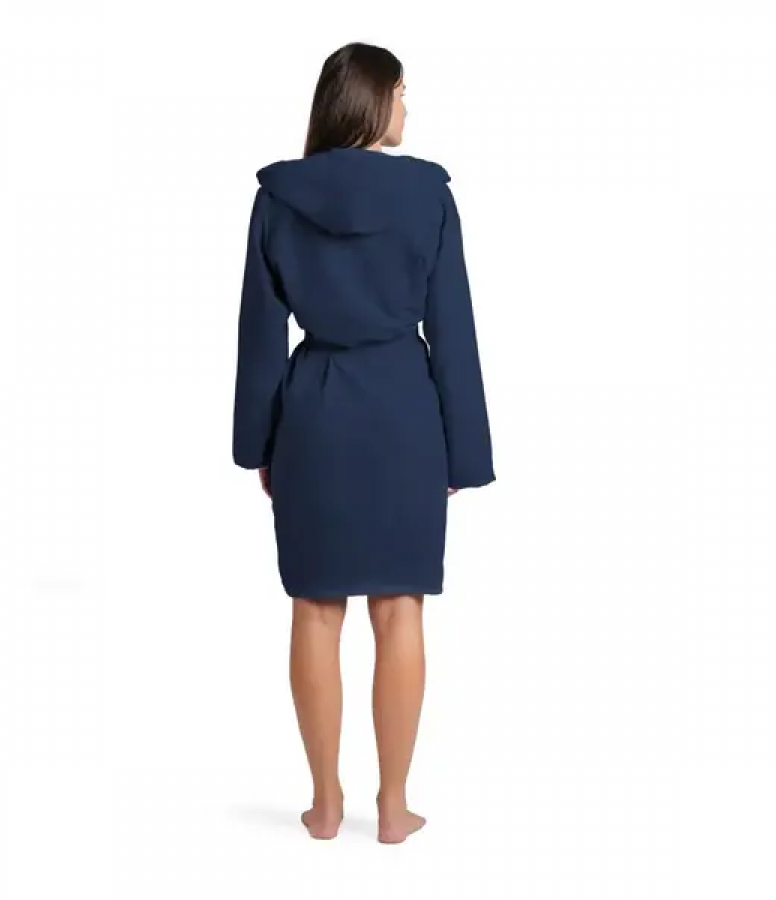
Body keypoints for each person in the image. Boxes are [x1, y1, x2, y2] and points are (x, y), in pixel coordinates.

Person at [231, 42, 495, 843]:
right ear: (373, 101)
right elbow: (452, 329)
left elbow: (259, 336)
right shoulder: (428, 196)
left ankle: (322, 804)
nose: (407, 107)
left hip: (314, 414)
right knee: (399, 608)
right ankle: (393, 805)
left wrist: (259, 443)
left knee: (315, 608)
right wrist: (463, 449)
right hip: (404, 412)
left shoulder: (278, 198)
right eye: (401, 93)